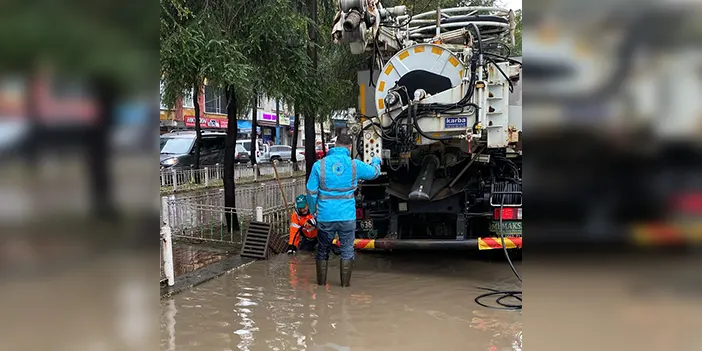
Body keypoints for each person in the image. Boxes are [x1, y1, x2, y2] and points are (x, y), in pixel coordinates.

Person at [306, 134, 382, 287]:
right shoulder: (355, 165)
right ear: (350, 147)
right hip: (347, 217)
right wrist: (376, 161)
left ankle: (321, 286)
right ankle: (344, 289)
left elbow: (310, 191)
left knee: (322, 250)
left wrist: (314, 211)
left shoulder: (318, 165)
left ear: (335, 145)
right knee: (347, 250)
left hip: (325, 217)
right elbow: (374, 173)